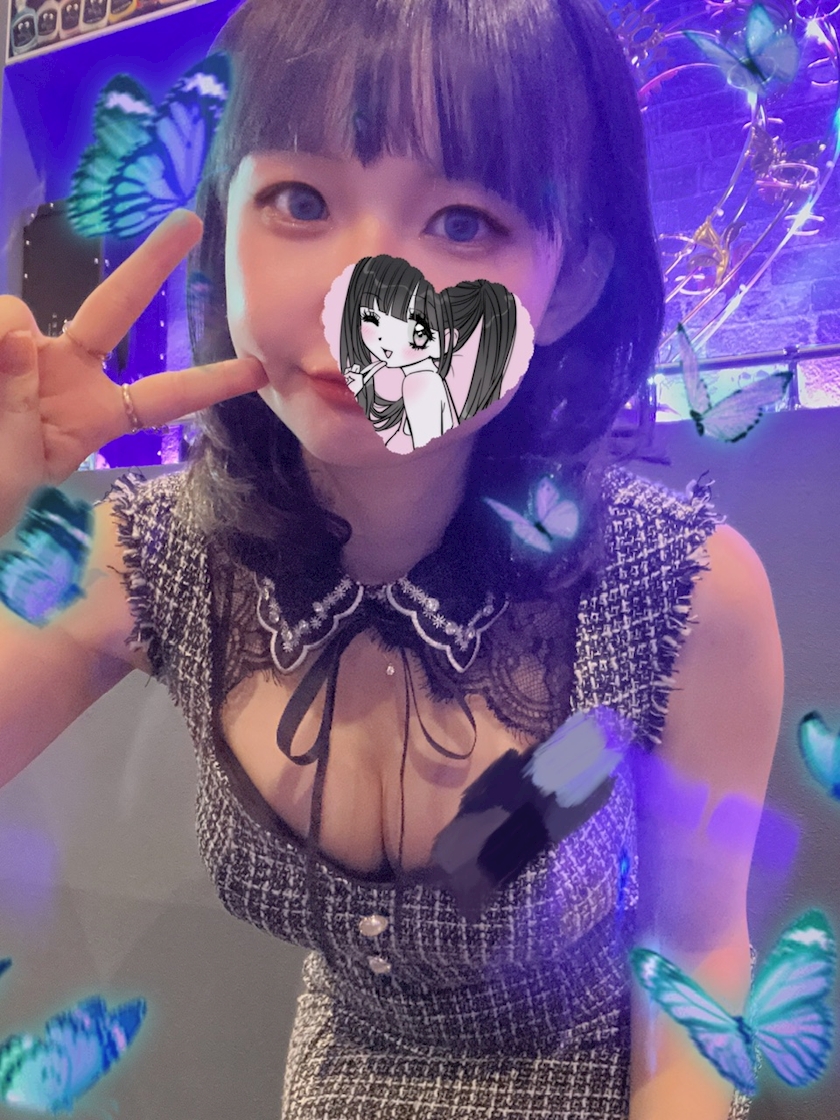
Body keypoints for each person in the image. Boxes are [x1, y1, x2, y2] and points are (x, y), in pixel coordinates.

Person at [0, 0, 784, 1117]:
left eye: (463, 221)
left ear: (567, 282)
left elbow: (699, 955)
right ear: (224, 222)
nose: (362, 300)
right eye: (300, 201)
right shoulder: (153, 553)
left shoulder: (684, 587)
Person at [339, 254, 517, 451]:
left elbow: (414, 437)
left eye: (416, 332)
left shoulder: (420, 382)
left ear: (446, 341)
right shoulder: (419, 379)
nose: (385, 340)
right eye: (372, 320)